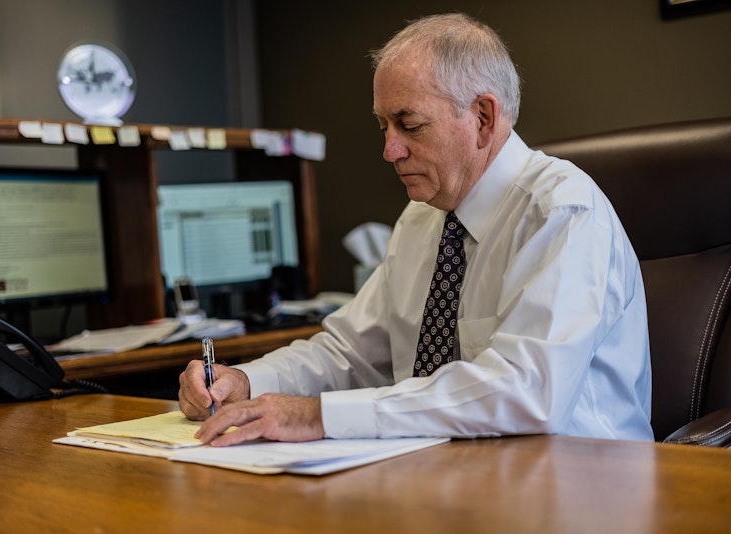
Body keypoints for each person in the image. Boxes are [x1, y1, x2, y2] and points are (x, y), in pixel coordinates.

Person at [179, 12, 654, 446]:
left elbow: (526, 392)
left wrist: (318, 416)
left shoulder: (563, 212)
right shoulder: (424, 218)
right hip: (445, 477)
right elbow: (350, 353)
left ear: (483, 118)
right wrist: (247, 382)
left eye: (410, 125)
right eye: (383, 126)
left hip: (579, 484)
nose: (390, 151)